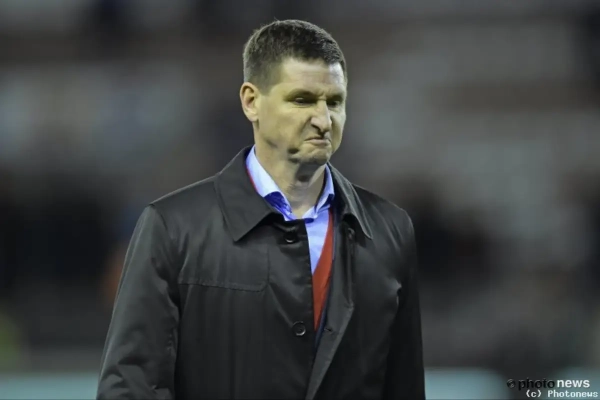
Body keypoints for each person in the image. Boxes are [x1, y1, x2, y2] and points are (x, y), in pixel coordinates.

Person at [97, 19, 425, 400]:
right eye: (302, 100)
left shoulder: (390, 231)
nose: (323, 120)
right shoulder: (173, 229)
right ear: (251, 101)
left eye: (335, 102)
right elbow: (131, 388)